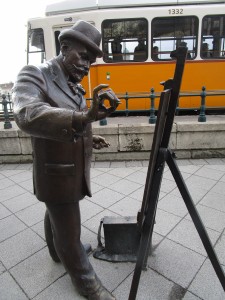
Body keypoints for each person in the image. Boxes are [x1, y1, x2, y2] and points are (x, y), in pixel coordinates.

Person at [13, 20, 119, 300]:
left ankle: (56, 251)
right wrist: (83, 118)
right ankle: (86, 283)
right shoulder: (35, 73)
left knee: (56, 213)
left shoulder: (73, 84)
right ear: (64, 47)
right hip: (55, 170)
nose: (86, 65)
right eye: (83, 56)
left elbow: (74, 120)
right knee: (69, 228)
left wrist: (89, 136)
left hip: (71, 166)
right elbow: (27, 114)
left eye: (91, 61)